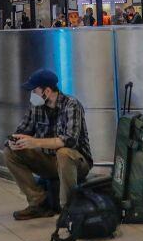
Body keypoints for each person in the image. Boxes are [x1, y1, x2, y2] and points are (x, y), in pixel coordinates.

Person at [5, 69, 92, 219]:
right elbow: (21, 130)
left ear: (47, 90)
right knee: (9, 152)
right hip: (49, 160)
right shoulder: (36, 107)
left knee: (63, 152)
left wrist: (35, 142)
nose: (32, 95)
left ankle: (68, 209)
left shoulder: (72, 105)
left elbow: (69, 140)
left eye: (34, 91)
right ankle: (38, 203)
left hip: (76, 163)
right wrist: (13, 142)